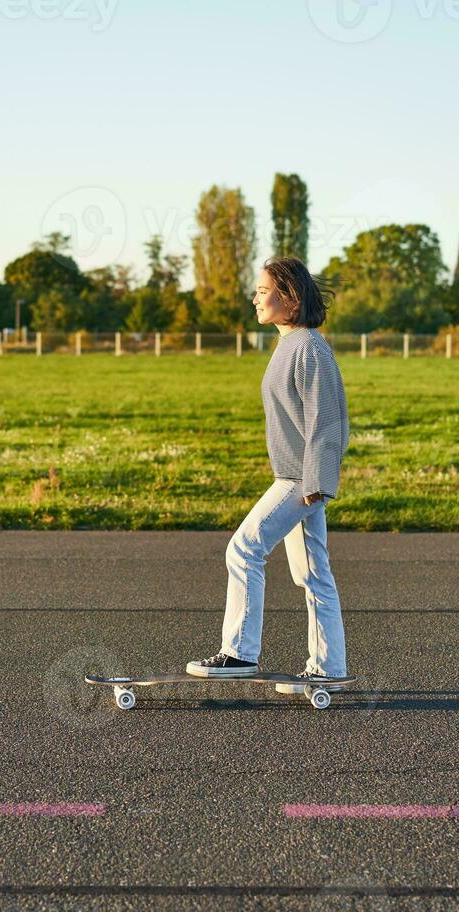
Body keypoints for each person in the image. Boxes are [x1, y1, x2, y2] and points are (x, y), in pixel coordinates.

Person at [186, 256, 350, 684]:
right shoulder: (291, 345)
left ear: (290, 301)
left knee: (243, 549)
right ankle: (328, 667)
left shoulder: (310, 347)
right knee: (312, 575)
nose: (255, 298)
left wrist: (317, 483)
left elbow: (327, 418)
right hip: (299, 477)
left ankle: (239, 653)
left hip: (300, 480)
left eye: (263, 291)